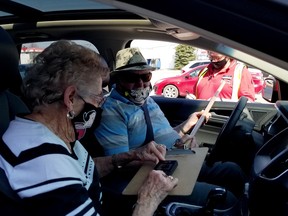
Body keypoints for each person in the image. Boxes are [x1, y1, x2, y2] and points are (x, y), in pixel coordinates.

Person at [0, 40, 180, 216]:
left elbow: (82, 171)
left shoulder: (55, 133)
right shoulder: (43, 158)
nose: (101, 105)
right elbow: (61, 172)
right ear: (70, 98)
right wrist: (148, 199)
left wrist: (128, 156)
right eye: (98, 97)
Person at [94, 47, 247, 199]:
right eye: (131, 78)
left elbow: (162, 134)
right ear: (118, 80)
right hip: (153, 174)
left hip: (177, 160)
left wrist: (187, 125)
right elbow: (119, 164)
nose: (141, 84)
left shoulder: (148, 100)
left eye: (145, 77)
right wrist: (166, 155)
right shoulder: (112, 111)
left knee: (232, 171)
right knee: (223, 198)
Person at [189, 50, 255, 101]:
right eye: (212, 58)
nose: (214, 61)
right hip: (200, 116)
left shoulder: (240, 71)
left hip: (224, 117)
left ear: (228, 55)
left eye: (217, 58)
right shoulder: (204, 71)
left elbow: (247, 100)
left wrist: (222, 102)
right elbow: (195, 93)